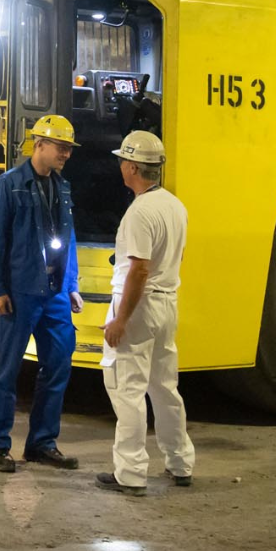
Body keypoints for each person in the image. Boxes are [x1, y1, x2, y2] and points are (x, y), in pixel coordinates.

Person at [0, 114, 84, 474]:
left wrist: (72, 285)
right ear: (39, 144)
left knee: (57, 364)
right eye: (61, 147)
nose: (66, 154)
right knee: (7, 370)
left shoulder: (63, 187)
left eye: (70, 149)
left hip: (54, 292)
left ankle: (42, 443)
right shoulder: (11, 185)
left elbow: (67, 240)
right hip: (20, 292)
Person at [96, 129, 195, 496]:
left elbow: (138, 269)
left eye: (124, 160)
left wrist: (121, 319)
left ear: (134, 167)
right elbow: (177, 257)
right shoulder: (174, 205)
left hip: (139, 307)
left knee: (128, 390)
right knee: (165, 388)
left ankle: (131, 473)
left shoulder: (140, 213)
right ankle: (180, 462)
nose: (121, 166)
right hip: (167, 302)